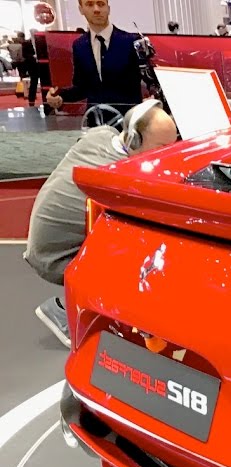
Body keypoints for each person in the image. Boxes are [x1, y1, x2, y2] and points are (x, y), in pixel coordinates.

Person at [26, 100, 178, 347]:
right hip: (53, 258)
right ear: (133, 141)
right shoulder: (116, 177)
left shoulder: (101, 135)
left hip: (43, 240)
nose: (167, 155)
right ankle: (66, 313)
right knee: (141, 253)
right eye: (161, 148)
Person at [46, 0, 145, 114]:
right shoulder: (79, 45)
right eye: (89, 4)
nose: (96, 9)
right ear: (81, 9)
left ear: (108, 8)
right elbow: (82, 88)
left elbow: (148, 82)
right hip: (95, 119)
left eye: (101, 4)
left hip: (128, 119)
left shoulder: (131, 41)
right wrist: (60, 96)